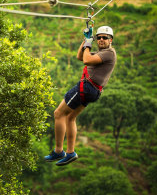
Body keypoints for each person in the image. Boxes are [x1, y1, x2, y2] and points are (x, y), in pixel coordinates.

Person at [44, 26, 117, 166]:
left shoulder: (109, 53)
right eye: (99, 37)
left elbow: (86, 60)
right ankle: (71, 152)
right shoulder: (100, 53)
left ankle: (59, 150)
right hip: (92, 91)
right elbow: (80, 56)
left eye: (105, 38)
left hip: (86, 87)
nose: (101, 40)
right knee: (70, 117)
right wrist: (85, 41)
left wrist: (88, 44)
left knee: (58, 113)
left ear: (111, 40)